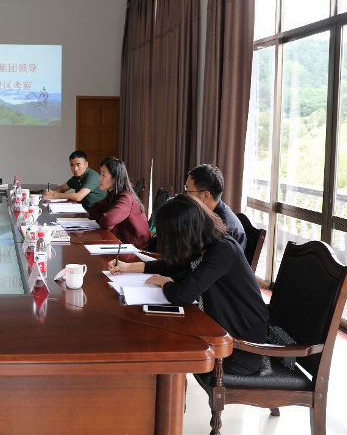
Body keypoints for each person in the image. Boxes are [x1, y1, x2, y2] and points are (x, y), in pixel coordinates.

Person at [108, 195, 268, 375]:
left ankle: (159, 388)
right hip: (220, 331)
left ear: (183, 231)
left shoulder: (222, 250)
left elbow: (182, 295)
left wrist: (166, 283)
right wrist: (128, 267)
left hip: (239, 349)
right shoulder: (205, 245)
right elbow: (172, 265)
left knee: (163, 345)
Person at [87, 157, 151, 249]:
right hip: (122, 243)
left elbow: (107, 221)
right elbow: (94, 208)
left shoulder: (125, 198)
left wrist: (104, 218)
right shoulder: (113, 194)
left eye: (103, 175)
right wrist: (103, 218)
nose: (99, 179)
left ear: (114, 179)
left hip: (137, 250)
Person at [184, 163, 246, 251]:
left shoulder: (223, 228)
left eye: (188, 191)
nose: (186, 195)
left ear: (206, 195)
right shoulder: (207, 212)